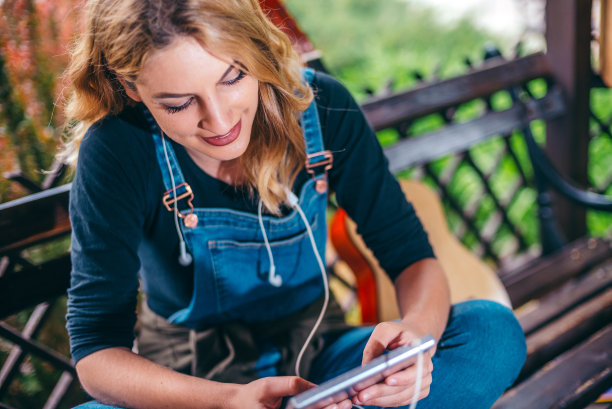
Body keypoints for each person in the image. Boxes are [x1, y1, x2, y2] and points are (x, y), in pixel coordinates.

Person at [63, 0, 527, 408]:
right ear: (129, 86)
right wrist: (226, 402)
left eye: (233, 77)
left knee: (491, 334)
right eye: (180, 104)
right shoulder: (117, 151)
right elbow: (97, 354)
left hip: (320, 358)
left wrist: (417, 344)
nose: (220, 121)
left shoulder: (322, 109)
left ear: (256, 50)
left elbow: (412, 258)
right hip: (191, 385)